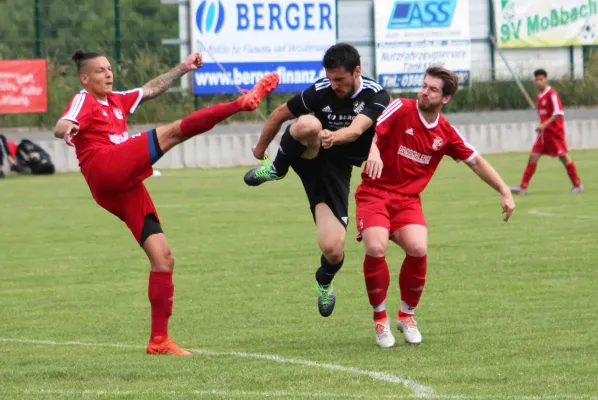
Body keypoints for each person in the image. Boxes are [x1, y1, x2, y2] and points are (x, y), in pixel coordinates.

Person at [54, 49, 279, 355]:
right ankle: (241, 103)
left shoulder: (118, 100)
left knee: (164, 258)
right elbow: (62, 123)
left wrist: (184, 68)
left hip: (123, 184)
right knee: (173, 132)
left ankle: (159, 340)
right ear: (85, 78)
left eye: (109, 68)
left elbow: (152, 88)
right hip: (105, 167)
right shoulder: (85, 100)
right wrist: (68, 130)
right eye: (99, 71)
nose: (108, 74)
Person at [355, 66, 515, 348]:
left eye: (432, 89)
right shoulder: (400, 108)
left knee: (418, 249)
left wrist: (504, 190)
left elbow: (475, 161)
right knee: (376, 247)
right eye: (424, 85)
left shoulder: (445, 133)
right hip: (375, 193)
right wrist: (374, 150)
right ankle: (380, 320)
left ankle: (407, 315)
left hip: (407, 201)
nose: (424, 91)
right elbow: (369, 130)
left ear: (445, 99)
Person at [243, 43, 391, 317]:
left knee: (333, 250)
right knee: (307, 124)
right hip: (309, 153)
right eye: (330, 78)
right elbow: (279, 115)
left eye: (340, 79)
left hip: (335, 171)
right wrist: (260, 149)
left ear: (356, 71)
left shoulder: (377, 95)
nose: (333, 85)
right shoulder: (321, 90)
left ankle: (324, 280)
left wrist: (336, 137)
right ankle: (276, 169)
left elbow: (358, 130)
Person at [510, 69, 583, 195]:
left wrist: (544, 124)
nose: (539, 82)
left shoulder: (552, 94)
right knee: (533, 157)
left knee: (564, 157)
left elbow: (558, 113)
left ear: (546, 79)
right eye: (537, 80)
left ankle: (577, 185)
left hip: (554, 132)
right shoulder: (539, 96)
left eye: (541, 79)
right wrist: (542, 126)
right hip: (543, 134)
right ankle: (522, 187)